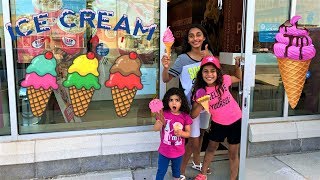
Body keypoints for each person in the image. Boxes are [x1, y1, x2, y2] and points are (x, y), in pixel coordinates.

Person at [162, 24, 214, 176]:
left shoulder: (208, 54)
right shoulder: (182, 59)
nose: (195, 38)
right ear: (188, 39)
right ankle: (179, 171)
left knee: (202, 133)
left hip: (207, 104)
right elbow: (166, 79)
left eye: (198, 35)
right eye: (191, 36)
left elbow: (215, 76)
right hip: (192, 107)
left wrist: (208, 58)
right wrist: (165, 67)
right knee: (192, 140)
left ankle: (197, 162)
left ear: (204, 37)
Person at [192, 56, 242, 180]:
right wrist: (200, 101)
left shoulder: (224, 80)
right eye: (206, 71)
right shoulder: (201, 91)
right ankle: (202, 174)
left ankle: (233, 178)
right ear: (201, 73)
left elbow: (239, 78)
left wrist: (237, 67)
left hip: (236, 120)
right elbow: (193, 115)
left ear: (218, 72)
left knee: (233, 153)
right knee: (210, 149)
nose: (209, 74)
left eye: (212, 71)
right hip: (218, 123)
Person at [153, 88, 193, 180]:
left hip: (178, 151)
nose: (174, 103)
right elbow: (155, 129)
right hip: (164, 151)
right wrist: (159, 121)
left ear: (181, 102)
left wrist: (181, 133)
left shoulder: (185, 117)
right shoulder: (164, 114)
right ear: (167, 101)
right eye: (171, 100)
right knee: (161, 171)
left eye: (177, 100)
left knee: (176, 171)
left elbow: (188, 134)